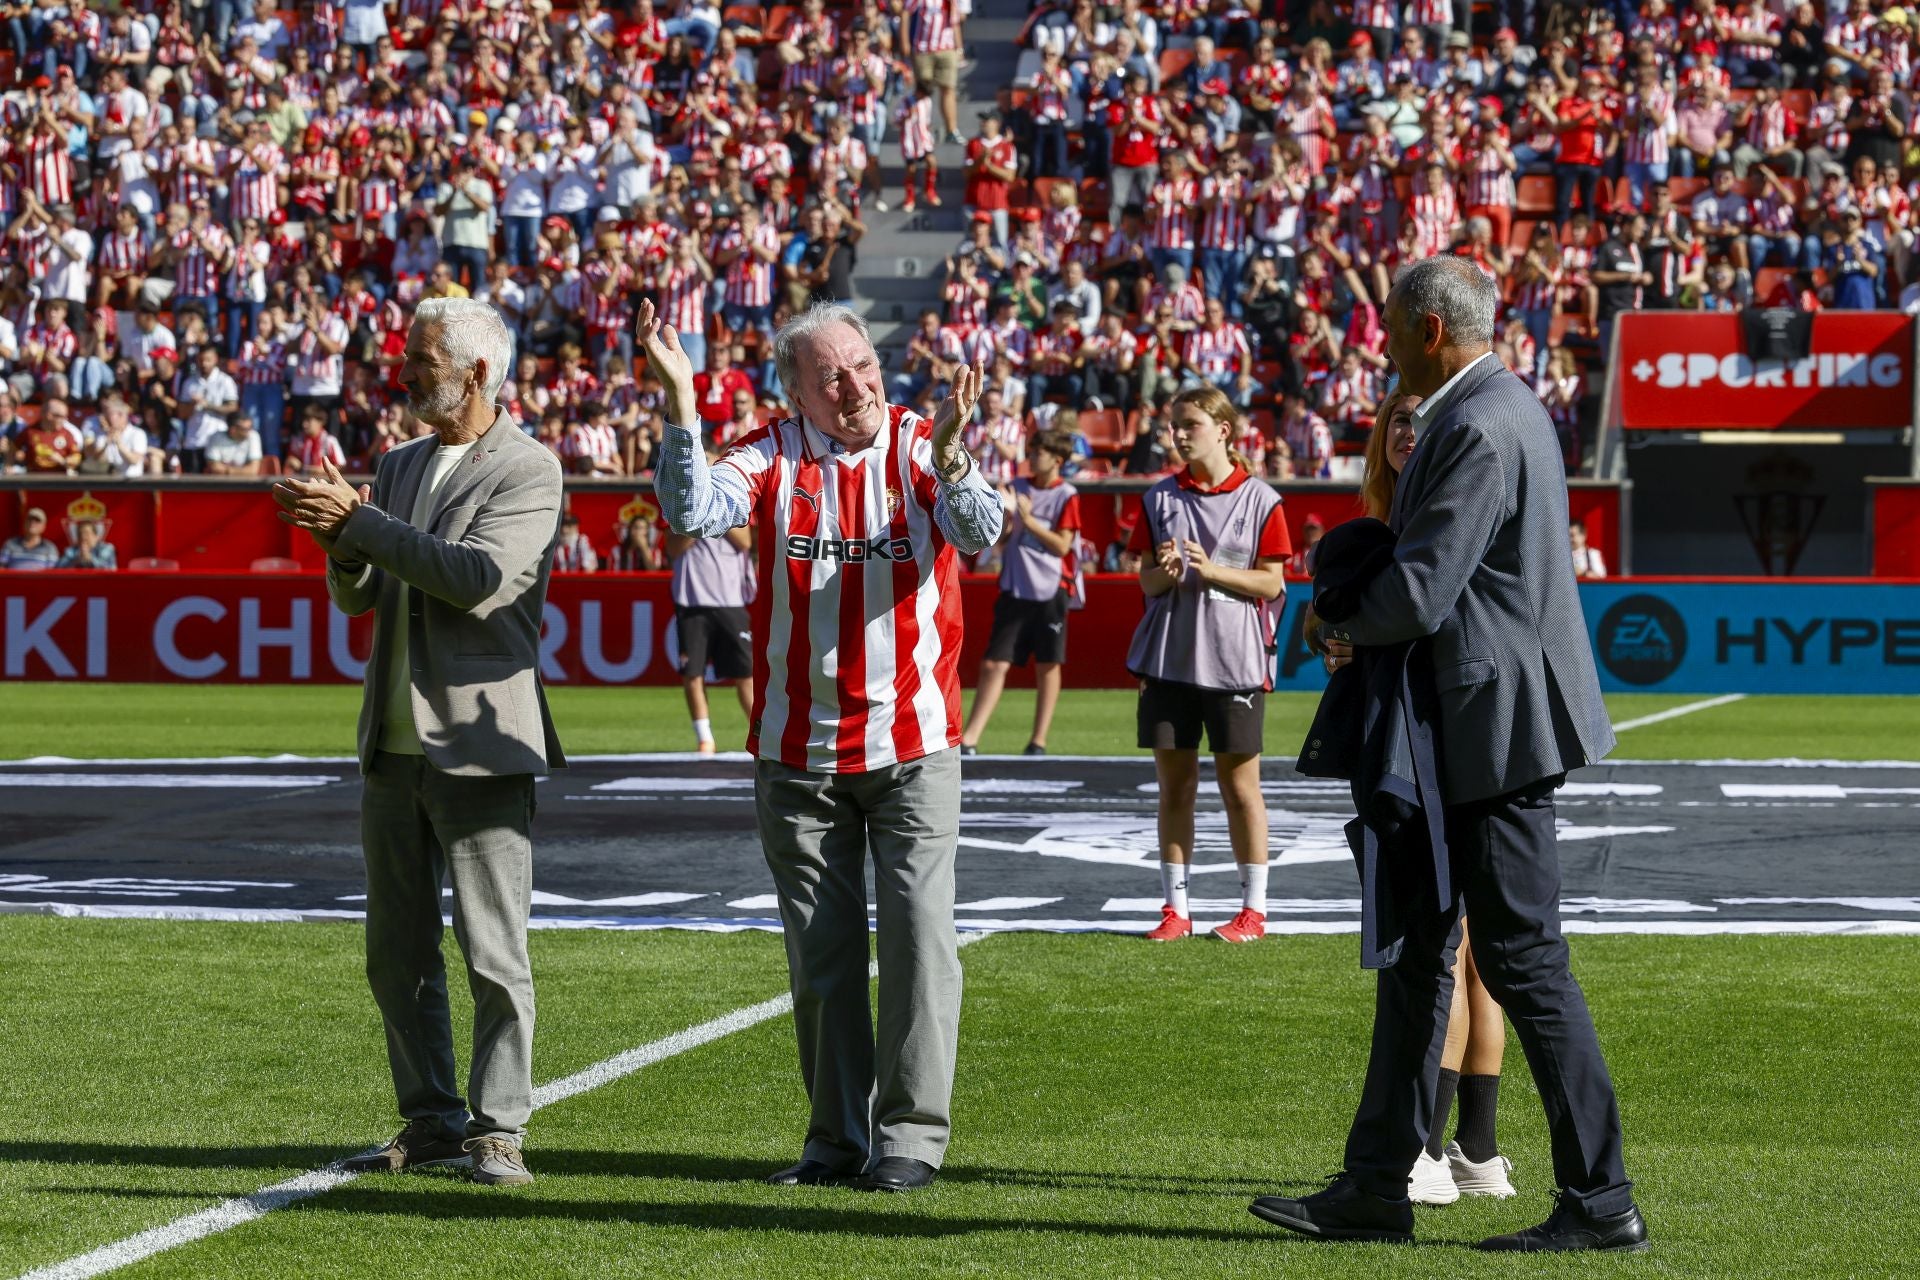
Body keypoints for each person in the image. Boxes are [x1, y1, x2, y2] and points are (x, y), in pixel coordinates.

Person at [1253, 256, 1643, 1253]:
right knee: (1419, 953)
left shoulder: (1474, 422)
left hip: (1488, 732)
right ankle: (1378, 1181)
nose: (1378, 340)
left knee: (1520, 960)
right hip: (1470, 724)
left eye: (1389, 324)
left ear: (1431, 328)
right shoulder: (1502, 407)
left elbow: (1423, 589)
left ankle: (1602, 1199)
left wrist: (1341, 620)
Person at [645, 296, 1001, 1193]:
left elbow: (979, 532)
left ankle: (911, 1142)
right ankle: (836, 1142)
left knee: (921, 945)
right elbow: (690, 509)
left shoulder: (924, 443)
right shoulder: (767, 456)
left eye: (864, 367)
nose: (855, 387)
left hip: (913, 744)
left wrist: (958, 451)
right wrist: (682, 399)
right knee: (823, 960)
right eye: (830, 376)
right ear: (797, 393)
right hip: (796, 753)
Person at [272, 297, 566, 1190]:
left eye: (420, 359)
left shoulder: (531, 468)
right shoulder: (397, 465)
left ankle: (499, 1128)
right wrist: (339, 545)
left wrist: (359, 524)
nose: (401, 372)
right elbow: (364, 597)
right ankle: (431, 1124)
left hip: (482, 744)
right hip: (393, 748)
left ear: (477, 371)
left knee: (492, 951)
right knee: (397, 954)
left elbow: (474, 578)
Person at [1357, 391, 1517, 1208]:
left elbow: (1415, 611)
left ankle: (1426, 1146)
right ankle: (1480, 1152)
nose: (1407, 434)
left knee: (1451, 952)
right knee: (1474, 954)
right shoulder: (1393, 511)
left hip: (1435, 742)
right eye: (1395, 421)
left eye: (1420, 422)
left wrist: (1343, 624)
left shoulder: (1433, 510)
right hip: (1456, 733)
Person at [1125, 384, 1291, 944]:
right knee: (1174, 787)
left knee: (1240, 787)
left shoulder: (1262, 500)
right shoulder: (1158, 499)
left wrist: (1213, 571)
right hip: (1169, 658)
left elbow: (1273, 582)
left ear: (1224, 430)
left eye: (1191, 423)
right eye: (1175, 424)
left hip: (1235, 661)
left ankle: (1254, 911)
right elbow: (1145, 579)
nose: (1178, 434)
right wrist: (1166, 574)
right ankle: (1176, 909)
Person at [960, 429, 1081, 757]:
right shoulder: (1017, 488)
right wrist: (1008, 518)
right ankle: (969, 739)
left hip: (1051, 589)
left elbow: (1062, 546)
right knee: (994, 662)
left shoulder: (1066, 494)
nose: (1031, 457)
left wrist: (1028, 519)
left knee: (1048, 664)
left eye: (1039, 452)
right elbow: (998, 540)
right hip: (1015, 585)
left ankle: (1038, 741)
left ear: (1057, 459)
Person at [665, 431, 756, 754]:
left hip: (730, 599)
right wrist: (694, 517)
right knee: (693, 673)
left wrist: (713, 511)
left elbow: (745, 542)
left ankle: (758, 734)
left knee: (745, 674)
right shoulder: (681, 508)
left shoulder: (734, 504)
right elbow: (673, 548)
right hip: (693, 601)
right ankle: (705, 738)